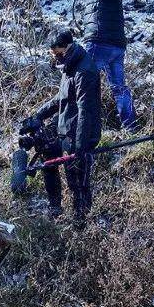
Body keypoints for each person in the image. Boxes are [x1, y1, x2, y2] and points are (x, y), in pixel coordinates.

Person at [34, 28, 101, 228]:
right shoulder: (69, 66)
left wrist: (80, 148)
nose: (55, 58)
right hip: (65, 127)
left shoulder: (84, 71)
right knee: (49, 159)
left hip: (81, 133)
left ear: (67, 48)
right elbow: (61, 98)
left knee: (77, 184)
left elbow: (85, 112)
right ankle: (55, 208)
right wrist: (39, 114)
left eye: (57, 54)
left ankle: (81, 224)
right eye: (53, 55)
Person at [81, 0, 137, 130]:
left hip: (99, 43)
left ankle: (80, 130)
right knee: (119, 88)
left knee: (82, 84)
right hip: (116, 46)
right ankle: (131, 127)